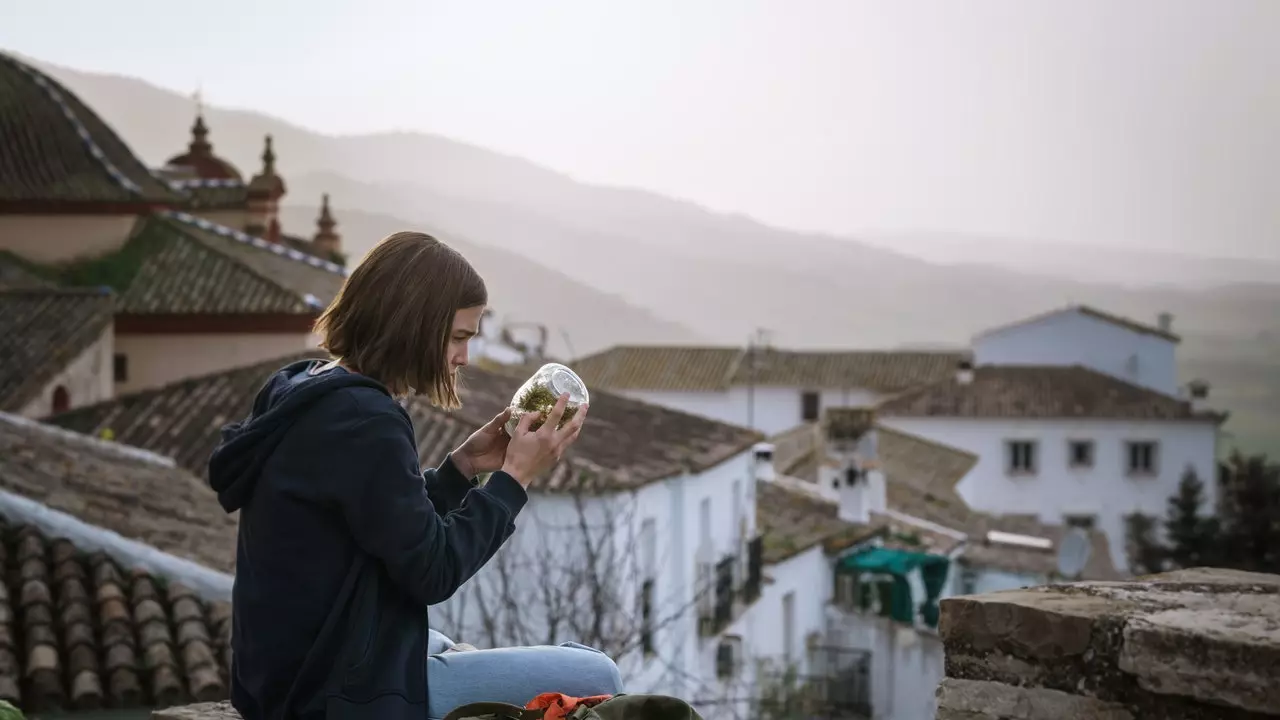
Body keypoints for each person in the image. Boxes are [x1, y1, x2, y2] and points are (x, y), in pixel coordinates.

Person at [207, 232, 625, 720]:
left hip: (280, 677)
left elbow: (385, 525)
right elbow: (433, 571)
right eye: (458, 337)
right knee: (599, 674)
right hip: (332, 697)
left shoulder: (303, 387)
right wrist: (514, 480)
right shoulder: (368, 421)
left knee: (448, 644)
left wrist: (463, 467)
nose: (463, 358)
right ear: (414, 326)